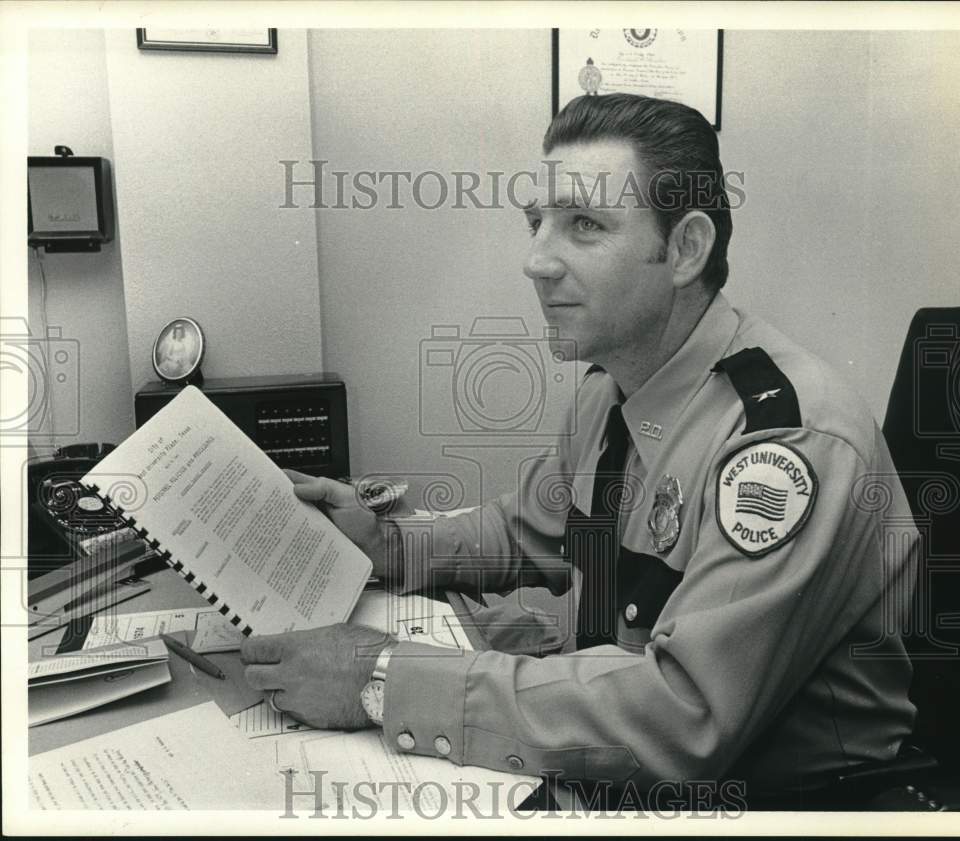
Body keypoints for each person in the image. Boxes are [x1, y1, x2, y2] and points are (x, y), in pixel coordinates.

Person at [241, 94, 918, 808]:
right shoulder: (616, 385)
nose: (536, 261)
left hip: (781, 803)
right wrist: (388, 544)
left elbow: (683, 714)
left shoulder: (784, 442)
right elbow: (528, 527)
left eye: (584, 225)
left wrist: (379, 677)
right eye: (539, 222)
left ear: (685, 249)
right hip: (620, 769)